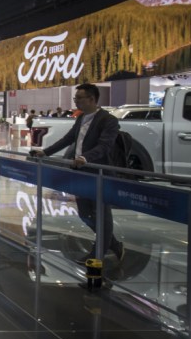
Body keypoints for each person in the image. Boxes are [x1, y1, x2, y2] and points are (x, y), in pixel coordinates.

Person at [31, 83, 124, 262]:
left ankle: (98, 254)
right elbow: (68, 139)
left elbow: (104, 146)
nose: (76, 101)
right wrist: (46, 152)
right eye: (75, 98)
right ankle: (113, 243)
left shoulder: (108, 120)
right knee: (84, 213)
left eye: (79, 98)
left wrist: (85, 158)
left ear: (92, 99)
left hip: (99, 173)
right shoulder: (81, 118)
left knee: (101, 214)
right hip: (81, 172)